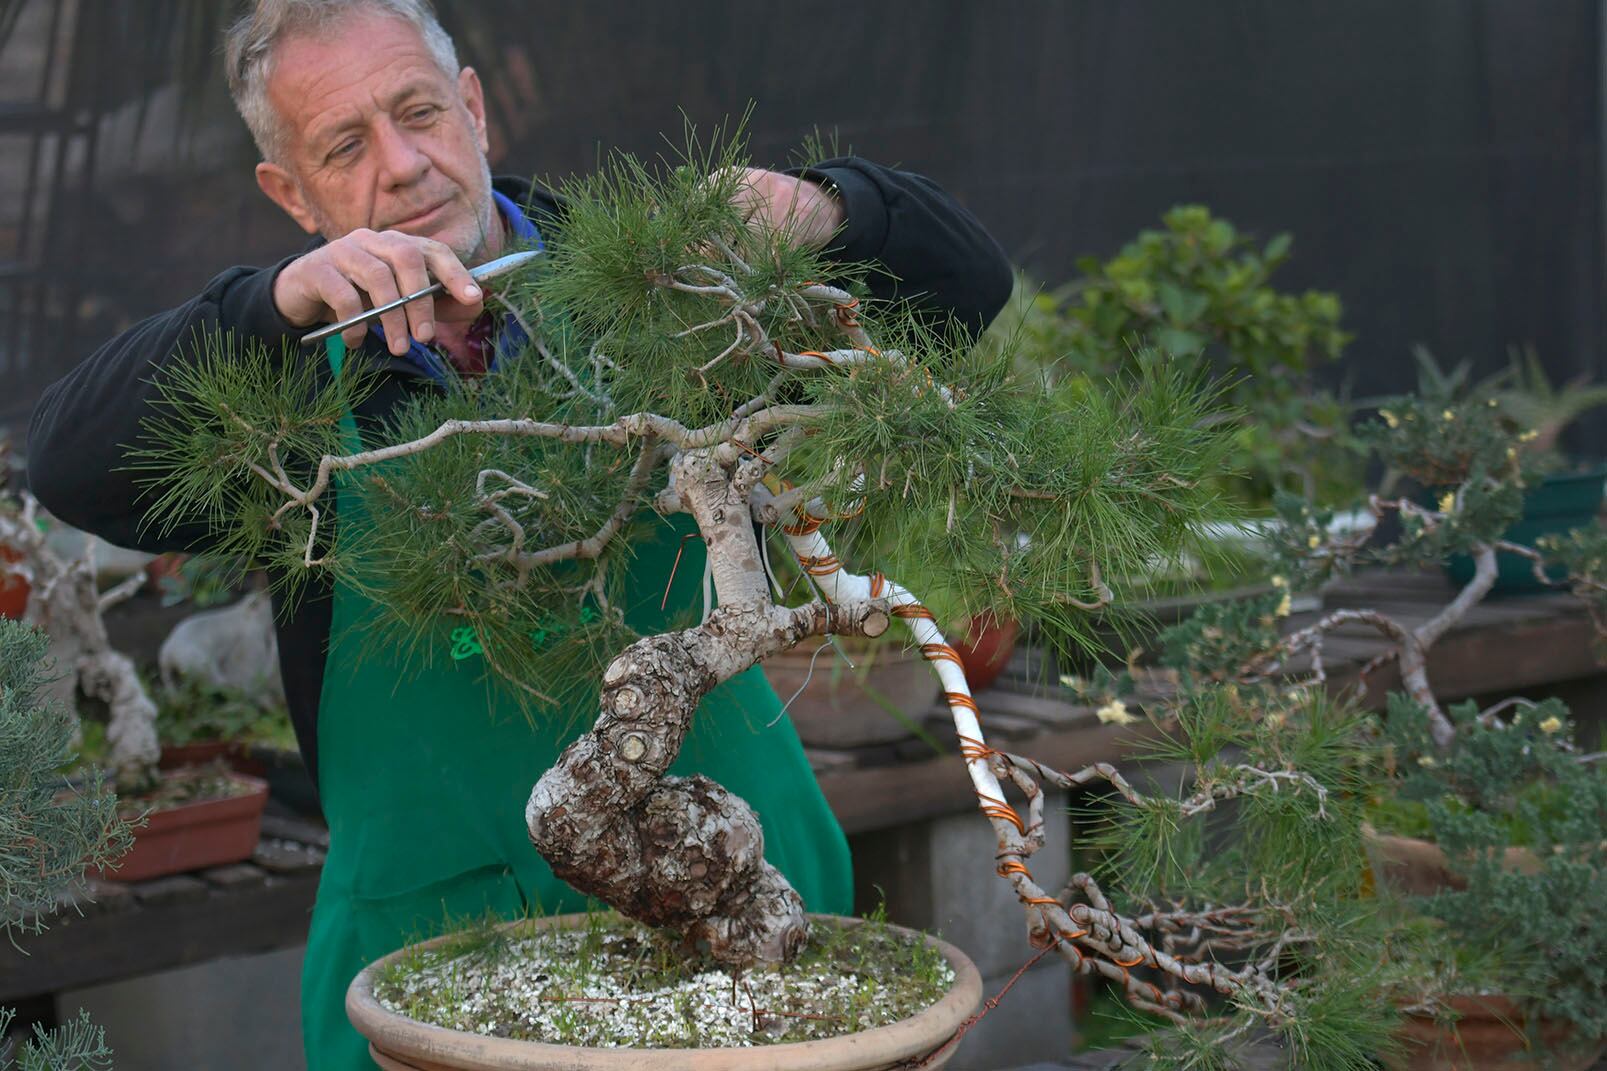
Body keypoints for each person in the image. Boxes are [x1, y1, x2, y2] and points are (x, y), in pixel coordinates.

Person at [26, 1, 1012, 1066]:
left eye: (418, 112)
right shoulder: (273, 383)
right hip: (435, 948)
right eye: (345, 146)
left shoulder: (663, 286)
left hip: (730, 904)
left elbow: (965, 285)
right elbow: (68, 465)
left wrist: (819, 209)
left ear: (476, 108)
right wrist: (260, 309)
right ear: (291, 193)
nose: (402, 166)